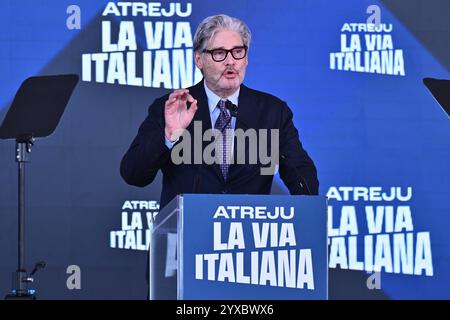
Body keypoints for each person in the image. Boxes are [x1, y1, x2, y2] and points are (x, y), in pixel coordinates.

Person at [120, 14, 319, 209]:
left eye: (237, 51)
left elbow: (301, 174)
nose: (230, 61)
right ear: (199, 59)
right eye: (219, 53)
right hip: (188, 234)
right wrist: (169, 136)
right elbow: (134, 175)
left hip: (245, 235)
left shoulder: (273, 112)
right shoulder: (172, 107)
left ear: (246, 58)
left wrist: (309, 214)